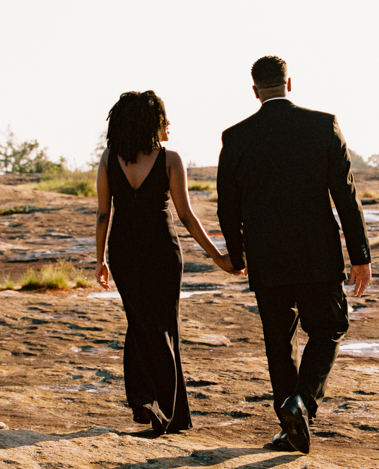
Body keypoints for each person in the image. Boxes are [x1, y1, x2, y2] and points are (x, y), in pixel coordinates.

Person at [216, 56, 372, 454]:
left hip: (267, 260)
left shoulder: (235, 137)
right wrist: (360, 256)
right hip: (317, 255)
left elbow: (227, 208)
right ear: (289, 83)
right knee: (330, 328)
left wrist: (237, 256)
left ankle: (290, 428)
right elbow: (346, 197)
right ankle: (300, 404)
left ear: (255, 90)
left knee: (278, 344)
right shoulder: (323, 125)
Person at [95, 90, 238, 435]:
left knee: (139, 323)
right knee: (162, 326)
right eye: (163, 118)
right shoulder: (170, 159)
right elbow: (187, 217)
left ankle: (145, 402)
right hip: (161, 247)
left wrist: (99, 260)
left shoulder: (109, 157)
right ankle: (166, 410)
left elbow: (103, 213)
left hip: (124, 249)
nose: (169, 123)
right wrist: (218, 257)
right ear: (151, 123)